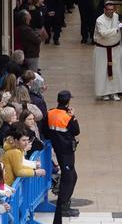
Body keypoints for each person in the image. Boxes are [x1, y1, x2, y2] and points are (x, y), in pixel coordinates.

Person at [48, 90, 80, 221]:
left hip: (56, 149)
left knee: (72, 176)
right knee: (69, 179)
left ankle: (64, 205)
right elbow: (76, 131)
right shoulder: (67, 117)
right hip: (66, 152)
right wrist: (73, 116)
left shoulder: (50, 113)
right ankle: (63, 207)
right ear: (68, 102)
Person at [93, 2, 122, 101]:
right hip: (102, 50)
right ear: (104, 10)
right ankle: (104, 93)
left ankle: (114, 92)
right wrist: (116, 30)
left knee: (116, 71)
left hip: (115, 48)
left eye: (112, 10)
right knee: (102, 72)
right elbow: (103, 33)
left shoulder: (116, 16)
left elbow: (120, 24)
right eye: (109, 10)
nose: (111, 12)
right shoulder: (100, 20)